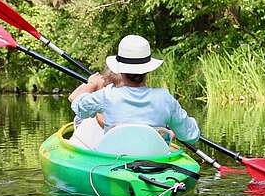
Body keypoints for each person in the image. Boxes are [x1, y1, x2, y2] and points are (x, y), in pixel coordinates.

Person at [68, 35, 199, 144]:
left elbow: (77, 106)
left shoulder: (107, 95)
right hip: (154, 163)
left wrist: (91, 83)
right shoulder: (165, 98)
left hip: (115, 161)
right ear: (147, 70)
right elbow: (191, 135)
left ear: (120, 71)